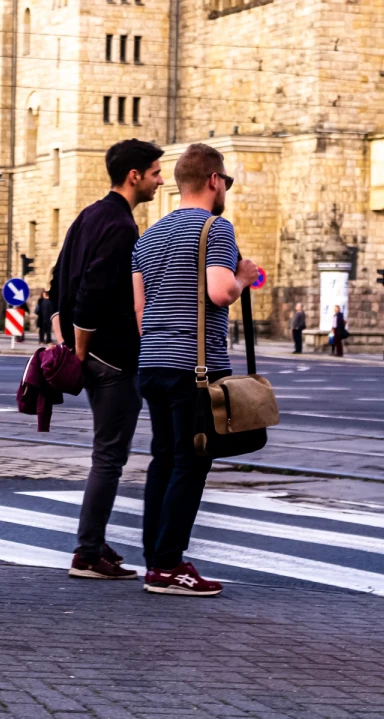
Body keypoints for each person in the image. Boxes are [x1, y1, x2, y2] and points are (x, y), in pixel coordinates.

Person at [132, 143, 261, 596]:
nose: (226, 189)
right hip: (194, 367)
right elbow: (221, 292)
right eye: (226, 181)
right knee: (191, 461)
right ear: (213, 181)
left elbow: (140, 311)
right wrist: (243, 276)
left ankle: (155, 560)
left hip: (151, 363)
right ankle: (169, 566)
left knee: (163, 460)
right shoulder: (215, 228)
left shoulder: (147, 237)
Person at [49, 138, 164, 580]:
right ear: (134, 176)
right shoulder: (120, 226)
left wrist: (64, 333)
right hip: (113, 357)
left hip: (92, 351)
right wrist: (79, 347)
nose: (158, 181)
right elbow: (94, 290)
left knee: (105, 453)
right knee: (109, 456)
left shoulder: (88, 215)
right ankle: (87, 552)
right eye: (154, 173)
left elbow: (59, 278)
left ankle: (95, 540)